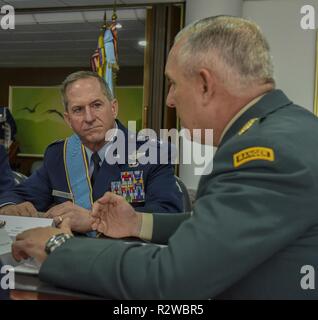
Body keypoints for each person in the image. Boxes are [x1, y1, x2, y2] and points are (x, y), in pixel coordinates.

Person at [11, 16, 318, 299]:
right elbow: (211, 225)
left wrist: (57, 248)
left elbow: (173, 279)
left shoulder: (263, 154)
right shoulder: (286, 130)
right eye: (78, 110)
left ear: (205, 84)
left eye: (173, 83)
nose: (170, 100)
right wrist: (137, 222)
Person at [0, 71, 183, 233]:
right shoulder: (58, 155)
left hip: (124, 259)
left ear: (113, 108)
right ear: (68, 119)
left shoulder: (151, 153)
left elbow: (167, 216)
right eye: (78, 110)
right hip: (69, 259)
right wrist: (10, 207)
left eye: (96, 105)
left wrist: (93, 220)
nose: (89, 118)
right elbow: (19, 195)